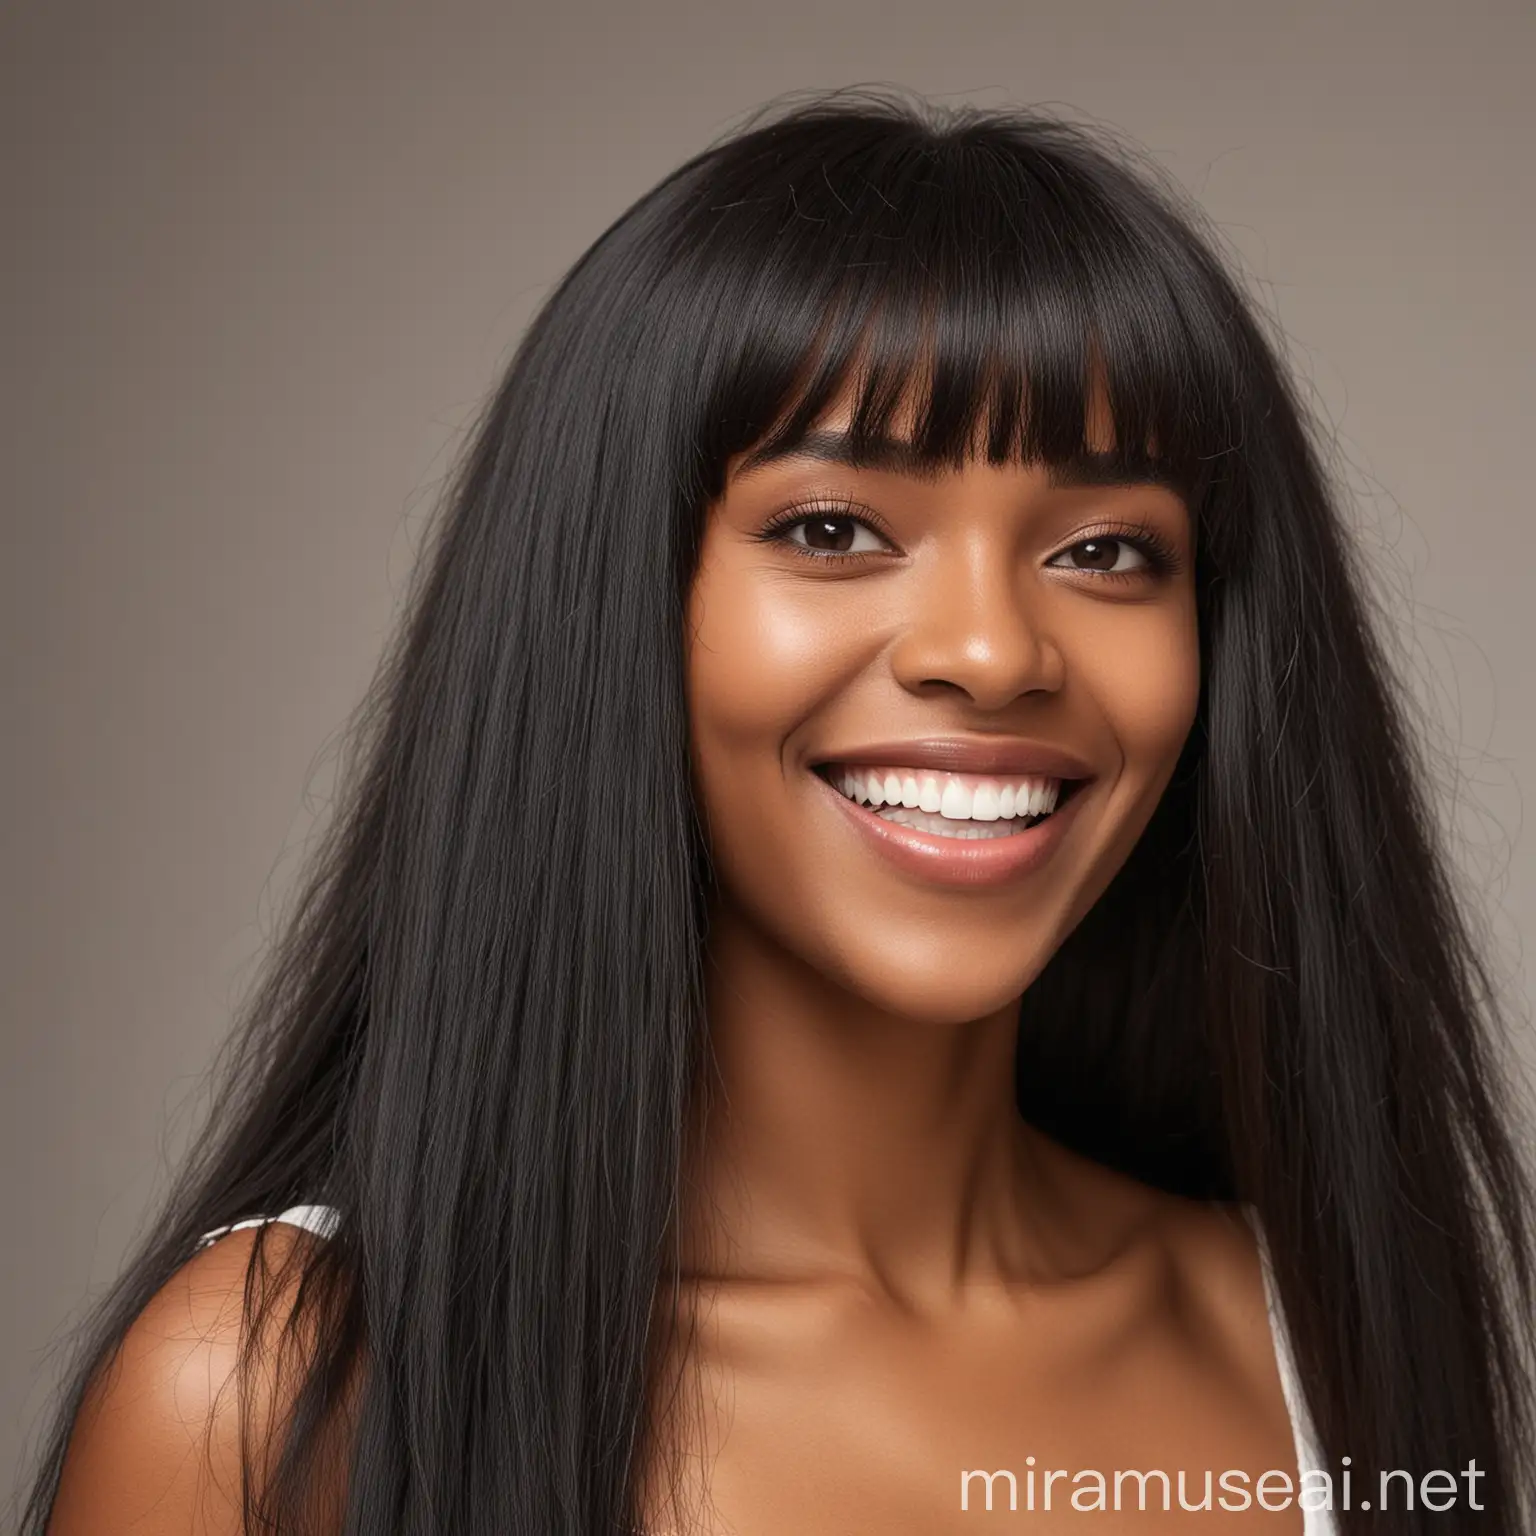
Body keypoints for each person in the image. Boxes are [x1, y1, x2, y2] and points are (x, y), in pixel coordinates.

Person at [22, 90, 1535, 1535]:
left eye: (1107, 552)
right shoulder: (278, 1395)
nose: (996, 651)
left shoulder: (1315, 1331)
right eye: (832, 528)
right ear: (616, 604)